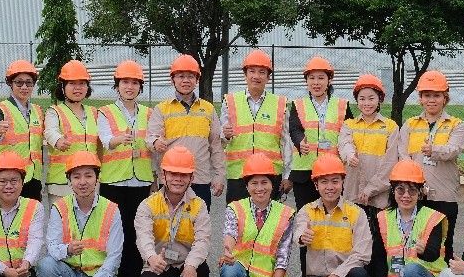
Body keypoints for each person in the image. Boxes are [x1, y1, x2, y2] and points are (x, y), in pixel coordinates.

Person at [36, 151, 123, 277]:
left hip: (99, 274)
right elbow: (52, 247)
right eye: (76, 177)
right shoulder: (60, 207)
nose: (82, 182)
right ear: (69, 180)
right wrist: (67, 249)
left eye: (88, 176)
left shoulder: (111, 209)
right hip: (70, 272)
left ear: (97, 178)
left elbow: (115, 256)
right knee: (45, 265)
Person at [289, 154, 372, 277]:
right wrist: (302, 236)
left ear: (343, 182)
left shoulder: (356, 213)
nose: (330, 187)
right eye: (324, 182)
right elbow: (299, 231)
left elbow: (362, 255)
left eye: (335, 181)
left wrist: (336, 276)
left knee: (360, 276)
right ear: (316, 185)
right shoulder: (307, 210)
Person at [132, 146, 210, 277]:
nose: (178, 179)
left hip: (186, 264)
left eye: (184, 175)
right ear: (163, 175)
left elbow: (203, 240)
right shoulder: (148, 205)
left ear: (192, 178)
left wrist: (191, 265)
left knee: (202, 269)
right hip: (159, 264)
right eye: (173, 173)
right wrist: (151, 257)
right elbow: (143, 236)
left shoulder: (199, 205)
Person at [338, 73, 399, 277]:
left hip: (378, 198)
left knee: (377, 244)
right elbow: (344, 144)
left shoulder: (390, 127)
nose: (366, 103)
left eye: (371, 98)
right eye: (362, 98)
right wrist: (348, 155)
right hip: (353, 195)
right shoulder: (349, 125)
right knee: (353, 243)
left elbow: (390, 162)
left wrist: (372, 189)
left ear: (380, 99)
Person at [370, 159, 447, 277]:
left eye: (412, 190)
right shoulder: (382, 217)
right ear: (393, 191)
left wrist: (424, 251)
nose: (406, 195)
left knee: (412, 270)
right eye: (400, 190)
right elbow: (378, 257)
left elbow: (434, 255)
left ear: (420, 192)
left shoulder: (432, 217)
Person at [218, 155, 294, 277]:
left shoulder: (286, 214)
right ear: (247, 186)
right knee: (229, 271)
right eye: (254, 183)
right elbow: (230, 233)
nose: (259, 188)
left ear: (272, 185)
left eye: (264, 182)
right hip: (240, 270)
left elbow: (283, 255)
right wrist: (228, 250)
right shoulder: (235, 208)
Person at [98, 60, 155, 277]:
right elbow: (104, 140)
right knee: (114, 232)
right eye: (125, 82)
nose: (129, 87)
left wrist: (155, 179)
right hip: (114, 181)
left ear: (140, 87)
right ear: (117, 86)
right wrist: (117, 139)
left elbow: (153, 145)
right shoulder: (105, 112)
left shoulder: (149, 114)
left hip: (140, 180)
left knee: (135, 232)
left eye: (134, 83)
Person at [397, 70, 464, 261]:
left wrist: (433, 150)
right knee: (414, 240)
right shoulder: (410, 124)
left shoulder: (456, 124)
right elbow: (403, 155)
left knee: (444, 243)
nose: (432, 100)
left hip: (444, 194)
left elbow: (454, 149)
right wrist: (415, 183)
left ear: (445, 98)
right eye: (427, 95)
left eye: (437, 95)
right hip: (416, 194)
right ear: (420, 98)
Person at [147, 54, 225, 208]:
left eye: (190, 76)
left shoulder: (208, 109)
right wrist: (155, 142)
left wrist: (219, 175)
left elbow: (216, 145)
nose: (186, 80)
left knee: (199, 221)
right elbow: (150, 137)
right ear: (173, 80)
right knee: (169, 221)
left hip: (200, 179)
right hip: (171, 180)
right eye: (181, 76)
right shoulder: (162, 109)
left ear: (197, 80)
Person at [222, 49, 290, 202]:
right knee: (238, 216)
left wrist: (287, 175)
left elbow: (286, 142)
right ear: (245, 74)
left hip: (270, 175)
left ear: (268, 77)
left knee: (270, 217)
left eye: (262, 72)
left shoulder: (280, 104)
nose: (256, 76)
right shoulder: (230, 101)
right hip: (238, 175)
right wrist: (225, 135)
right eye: (252, 71)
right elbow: (220, 139)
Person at [286, 56, 352, 208]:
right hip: (305, 173)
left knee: (332, 214)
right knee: (306, 215)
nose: (316, 82)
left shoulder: (342, 105)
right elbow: (294, 128)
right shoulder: (298, 104)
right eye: (312, 78)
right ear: (306, 81)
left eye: (321, 78)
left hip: (333, 172)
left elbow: (349, 133)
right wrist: (300, 141)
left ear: (329, 80)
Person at [44, 59, 100, 205]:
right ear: (62, 87)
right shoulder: (54, 111)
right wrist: (58, 140)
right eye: (72, 83)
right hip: (61, 183)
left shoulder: (94, 112)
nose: (77, 88)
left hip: (89, 183)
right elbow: (50, 131)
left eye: (82, 83)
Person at [0, 59, 44, 198]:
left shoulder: (37, 110)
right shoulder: (1, 108)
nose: (24, 87)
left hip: (33, 177)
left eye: (29, 83)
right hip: (9, 178)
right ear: (10, 83)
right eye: (19, 82)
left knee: (32, 211)